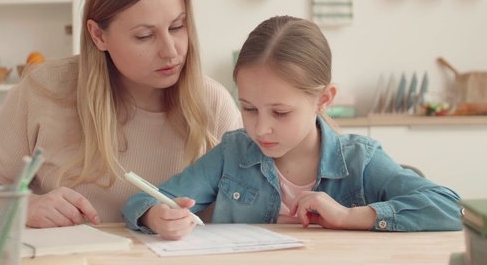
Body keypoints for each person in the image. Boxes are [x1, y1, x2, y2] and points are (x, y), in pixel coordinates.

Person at [0, 0, 242, 227]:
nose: (170, 50)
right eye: (144, 36)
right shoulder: (43, 91)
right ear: (98, 35)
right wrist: (24, 207)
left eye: (177, 27)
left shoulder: (214, 104)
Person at [122, 15, 463, 240]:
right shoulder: (233, 153)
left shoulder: (361, 159)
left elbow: (449, 207)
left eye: (281, 113)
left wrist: (348, 217)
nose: (261, 129)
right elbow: (144, 199)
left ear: (323, 99)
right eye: (249, 109)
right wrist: (155, 215)